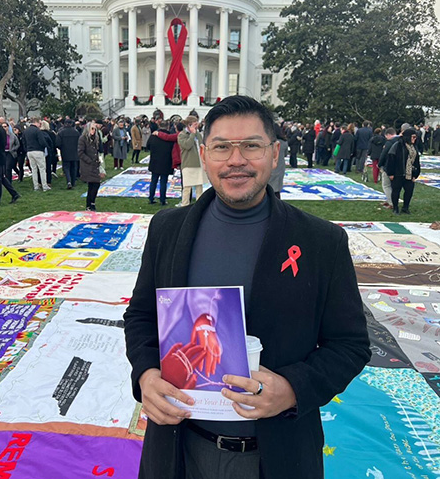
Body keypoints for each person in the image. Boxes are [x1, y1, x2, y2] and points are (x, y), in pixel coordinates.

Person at [124, 95, 370, 479]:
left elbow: (351, 345)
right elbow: (140, 316)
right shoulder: (167, 230)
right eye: (222, 147)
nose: (235, 160)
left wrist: (292, 388)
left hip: (276, 455)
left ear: (274, 154)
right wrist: (145, 375)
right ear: (204, 156)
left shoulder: (322, 242)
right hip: (179, 449)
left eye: (251, 146)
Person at [385, 128, 420, 215]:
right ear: (408, 137)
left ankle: (405, 207)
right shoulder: (397, 145)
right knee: (396, 191)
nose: (414, 139)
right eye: (413, 137)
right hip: (398, 173)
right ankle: (395, 208)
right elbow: (391, 159)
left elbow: (416, 161)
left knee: (409, 191)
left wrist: (415, 174)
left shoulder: (414, 147)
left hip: (410, 174)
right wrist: (391, 173)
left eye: (415, 137)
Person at [178, 116, 206, 206]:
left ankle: (199, 205)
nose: (197, 125)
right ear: (189, 125)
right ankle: (185, 205)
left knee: (199, 187)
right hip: (188, 164)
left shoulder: (197, 133)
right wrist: (192, 134)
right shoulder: (182, 135)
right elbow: (187, 145)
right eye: (195, 123)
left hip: (198, 163)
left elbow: (202, 144)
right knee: (187, 187)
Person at [146, 120, 174, 205]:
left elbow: (148, 146)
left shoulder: (153, 136)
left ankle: (151, 198)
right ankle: (162, 199)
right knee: (163, 182)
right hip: (166, 161)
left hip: (155, 161)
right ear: (168, 126)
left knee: (153, 181)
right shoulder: (169, 137)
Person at [78, 121, 104, 211]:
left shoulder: (95, 138)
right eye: (92, 128)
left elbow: (99, 149)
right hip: (88, 165)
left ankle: (91, 203)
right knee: (93, 184)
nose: (94, 130)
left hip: (95, 164)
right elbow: (80, 152)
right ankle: (90, 204)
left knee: (95, 184)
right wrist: (89, 160)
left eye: (95, 129)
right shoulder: (83, 138)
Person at [23, 118, 50, 191]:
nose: (40, 125)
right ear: (36, 122)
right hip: (38, 151)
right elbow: (42, 141)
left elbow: (24, 142)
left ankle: (36, 186)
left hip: (29, 151)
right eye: (40, 123)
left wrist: (27, 149)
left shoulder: (26, 131)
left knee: (34, 169)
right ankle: (44, 186)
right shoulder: (37, 131)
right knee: (42, 169)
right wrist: (46, 146)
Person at [377, 127, 399, 209]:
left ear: (388, 135)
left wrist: (379, 164)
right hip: (399, 167)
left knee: (386, 185)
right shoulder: (401, 141)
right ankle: (390, 200)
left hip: (388, 166)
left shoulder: (389, 143)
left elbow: (384, 154)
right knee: (393, 186)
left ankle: (391, 203)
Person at [56, 119, 80, 189]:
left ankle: (69, 181)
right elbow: (79, 142)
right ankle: (73, 182)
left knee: (66, 167)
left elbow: (57, 143)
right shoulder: (76, 132)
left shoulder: (61, 133)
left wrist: (62, 148)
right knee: (74, 167)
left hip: (65, 152)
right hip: (75, 152)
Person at [268, 123, 288, 198]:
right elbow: (286, 154)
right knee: (277, 188)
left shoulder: (269, 142)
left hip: (271, 165)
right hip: (280, 166)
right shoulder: (284, 142)